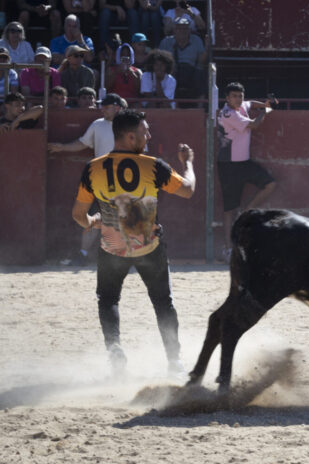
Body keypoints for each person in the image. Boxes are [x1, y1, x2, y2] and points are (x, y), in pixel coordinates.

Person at [71, 109, 195, 376]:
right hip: (148, 247)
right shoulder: (153, 165)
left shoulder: (93, 168)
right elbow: (188, 190)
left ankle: (114, 348)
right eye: (144, 132)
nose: (148, 136)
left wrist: (93, 222)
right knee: (163, 302)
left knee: (108, 299)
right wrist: (189, 164)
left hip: (112, 248)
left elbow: (78, 215)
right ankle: (174, 361)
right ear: (129, 137)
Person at [48, 93, 126, 265]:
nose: (102, 109)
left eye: (106, 107)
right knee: (92, 217)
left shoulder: (131, 125)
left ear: (117, 108)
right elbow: (82, 143)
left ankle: (126, 255)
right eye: (102, 106)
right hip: (101, 179)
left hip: (125, 181)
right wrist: (62, 148)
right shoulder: (98, 125)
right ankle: (83, 254)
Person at [217, 82, 276, 263]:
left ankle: (247, 211)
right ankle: (227, 248)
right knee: (229, 209)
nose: (238, 99)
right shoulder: (227, 113)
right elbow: (254, 125)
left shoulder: (241, 104)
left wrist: (263, 104)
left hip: (243, 163)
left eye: (240, 96)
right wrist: (265, 111)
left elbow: (250, 103)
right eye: (234, 96)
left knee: (270, 184)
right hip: (229, 165)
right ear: (227, 98)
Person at [158, 16, 207, 101]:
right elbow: (159, 59)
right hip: (173, 70)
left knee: (201, 73)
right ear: (174, 30)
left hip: (191, 70)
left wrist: (207, 46)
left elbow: (201, 61)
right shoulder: (166, 42)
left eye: (185, 28)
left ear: (189, 30)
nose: (182, 31)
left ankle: (200, 106)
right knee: (166, 76)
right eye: (179, 28)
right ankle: (168, 104)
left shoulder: (196, 40)